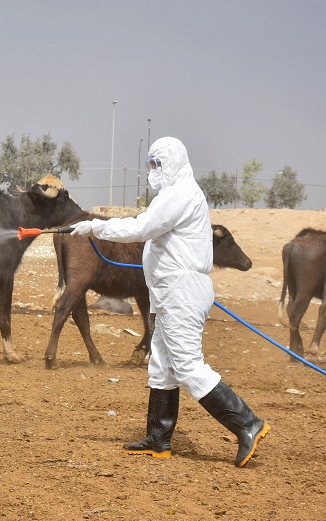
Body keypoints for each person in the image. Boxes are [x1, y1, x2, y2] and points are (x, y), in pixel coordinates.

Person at [70, 136, 270, 467]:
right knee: (162, 365)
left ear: (174, 161)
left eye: (158, 163)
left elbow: (143, 227)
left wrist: (95, 226)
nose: (153, 170)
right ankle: (158, 438)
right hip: (169, 291)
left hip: (182, 290)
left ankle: (247, 423)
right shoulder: (175, 194)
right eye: (150, 164)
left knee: (188, 365)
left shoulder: (181, 194)